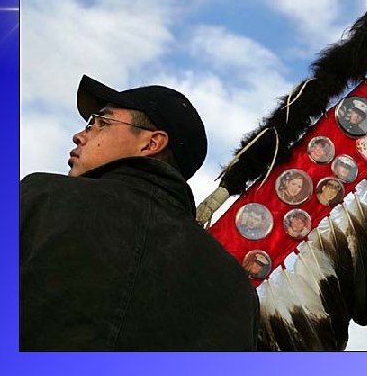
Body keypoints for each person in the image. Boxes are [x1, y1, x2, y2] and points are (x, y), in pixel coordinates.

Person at [20, 75, 259, 351]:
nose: (80, 134)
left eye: (102, 122)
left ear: (150, 144)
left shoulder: (41, 197)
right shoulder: (236, 290)